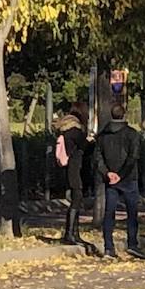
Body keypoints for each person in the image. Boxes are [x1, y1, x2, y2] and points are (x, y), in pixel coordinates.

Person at [95, 103, 142, 258]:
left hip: (110, 179)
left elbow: (98, 158)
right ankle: (133, 243)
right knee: (132, 212)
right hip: (128, 178)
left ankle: (108, 246)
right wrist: (121, 174)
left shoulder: (102, 136)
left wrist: (108, 173)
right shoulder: (132, 134)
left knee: (109, 213)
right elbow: (133, 157)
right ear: (124, 115)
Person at [54, 101, 93, 250]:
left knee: (74, 198)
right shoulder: (76, 130)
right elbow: (83, 147)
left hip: (66, 167)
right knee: (77, 198)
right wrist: (90, 141)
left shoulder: (64, 128)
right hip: (75, 167)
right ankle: (70, 233)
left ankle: (73, 232)